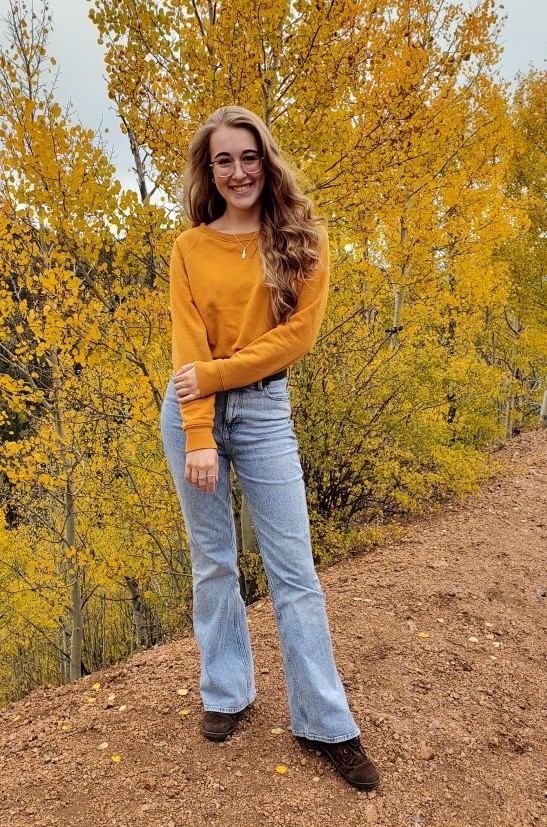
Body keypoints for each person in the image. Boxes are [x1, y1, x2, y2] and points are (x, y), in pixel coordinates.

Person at [160, 106, 379, 791]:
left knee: (293, 571)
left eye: (247, 157)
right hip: (190, 411)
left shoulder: (303, 239)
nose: (237, 171)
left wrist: (220, 378)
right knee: (213, 560)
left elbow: (295, 339)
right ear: (209, 171)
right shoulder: (189, 247)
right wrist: (198, 431)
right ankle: (226, 690)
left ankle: (326, 721)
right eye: (222, 160)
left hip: (261, 408)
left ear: (266, 160)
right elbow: (187, 345)